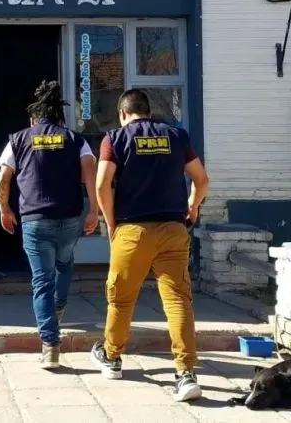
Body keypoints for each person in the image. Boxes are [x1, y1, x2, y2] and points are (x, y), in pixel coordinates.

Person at [89, 89, 210, 402]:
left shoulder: (114, 139)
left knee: (121, 299)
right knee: (178, 301)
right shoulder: (176, 136)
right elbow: (202, 179)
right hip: (173, 229)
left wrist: (111, 222)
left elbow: (102, 184)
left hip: (133, 231)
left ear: (123, 113)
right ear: (149, 112)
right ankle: (185, 374)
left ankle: (112, 357)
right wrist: (193, 206)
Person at [0, 80, 99, 370]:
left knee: (42, 281)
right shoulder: (76, 139)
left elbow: (3, 180)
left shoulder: (18, 139)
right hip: (69, 219)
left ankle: (50, 346)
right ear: (60, 118)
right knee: (64, 265)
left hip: (35, 222)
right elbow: (90, 171)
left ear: (33, 119)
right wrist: (95, 210)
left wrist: (5, 210)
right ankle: (60, 306)